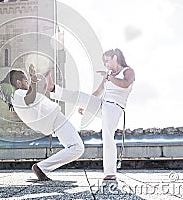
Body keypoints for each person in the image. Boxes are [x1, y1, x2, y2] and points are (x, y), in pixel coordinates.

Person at [45, 48, 135, 181]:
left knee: (107, 135)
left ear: (115, 58)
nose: (105, 64)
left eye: (107, 61)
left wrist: (109, 77)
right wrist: (85, 105)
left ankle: (110, 172)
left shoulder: (128, 71)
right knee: (80, 96)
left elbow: (125, 84)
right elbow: (99, 91)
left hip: (114, 108)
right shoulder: (109, 74)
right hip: (102, 103)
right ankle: (53, 88)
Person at [0, 64, 84, 181]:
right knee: (77, 148)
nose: (27, 83)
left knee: (75, 147)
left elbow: (31, 101)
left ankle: (42, 167)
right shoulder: (18, 93)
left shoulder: (16, 97)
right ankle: (41, 167)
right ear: (18, 83)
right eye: (25, 81)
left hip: (54, 121)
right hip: (56, 120)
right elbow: (30, 99)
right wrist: (33, 81)